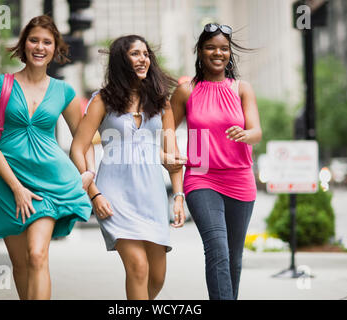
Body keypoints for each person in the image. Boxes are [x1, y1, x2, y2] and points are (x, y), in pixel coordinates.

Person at [0, 15, 94, 300]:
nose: (40, 47)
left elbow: (83, 138)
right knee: (20, 265)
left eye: (47, 42)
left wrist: (89, 171)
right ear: (23, 44)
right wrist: (17, 189)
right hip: (7, 184)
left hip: (47, 183)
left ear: (55, 48)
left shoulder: (63, 91)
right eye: (34, 40)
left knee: (37, 255)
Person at [70, 35, 186, 300]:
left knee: (157, 276)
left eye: (145, 54)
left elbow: (172, 155)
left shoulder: (160, 101)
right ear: (121, 60)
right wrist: (94, 193)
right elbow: (78, 147)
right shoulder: (103, 101)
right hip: (113, 196)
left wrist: (178, 196)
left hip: (152, 196)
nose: (143, 59)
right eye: (135, 54)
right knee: (138, 267)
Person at [169, 23, 262, 300]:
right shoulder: (187, 91)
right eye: (211, 47)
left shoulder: (241, 89)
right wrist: (172, 154)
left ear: (230, 53)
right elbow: (166, 128)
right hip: (201, 177)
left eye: (223, 48)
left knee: (233, 258)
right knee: (217, 250)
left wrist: (246, 134)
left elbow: (257, 131)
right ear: (200, 51)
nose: (217, 53)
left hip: (240, 179)